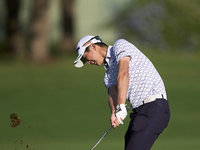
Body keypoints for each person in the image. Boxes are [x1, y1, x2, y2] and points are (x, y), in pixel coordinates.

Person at [73, 35, 170, 150]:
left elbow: (123, 73)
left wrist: (120, 106)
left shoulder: (120, 45)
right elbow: (112, 93)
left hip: (154, 106)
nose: (87, 62)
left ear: (93, 46)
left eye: (85, 57)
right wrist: (114, 112)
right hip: (139, 112)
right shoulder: (107, 76)